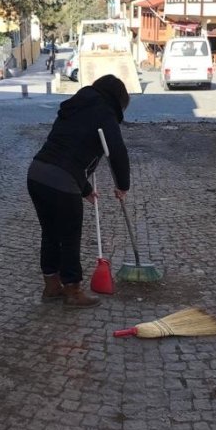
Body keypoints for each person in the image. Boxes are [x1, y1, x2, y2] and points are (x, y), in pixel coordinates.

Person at [27, 75, 131, 308]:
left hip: (36, 174)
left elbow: (67, 149)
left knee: (50, 232)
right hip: (62, 182)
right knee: (70, 237)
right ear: (118, 99)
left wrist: (84, 188)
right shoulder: (104, 112)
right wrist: (123, 185)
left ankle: (52, 285)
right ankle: (73, 291)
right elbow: (116, 150)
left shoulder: (75, 106)